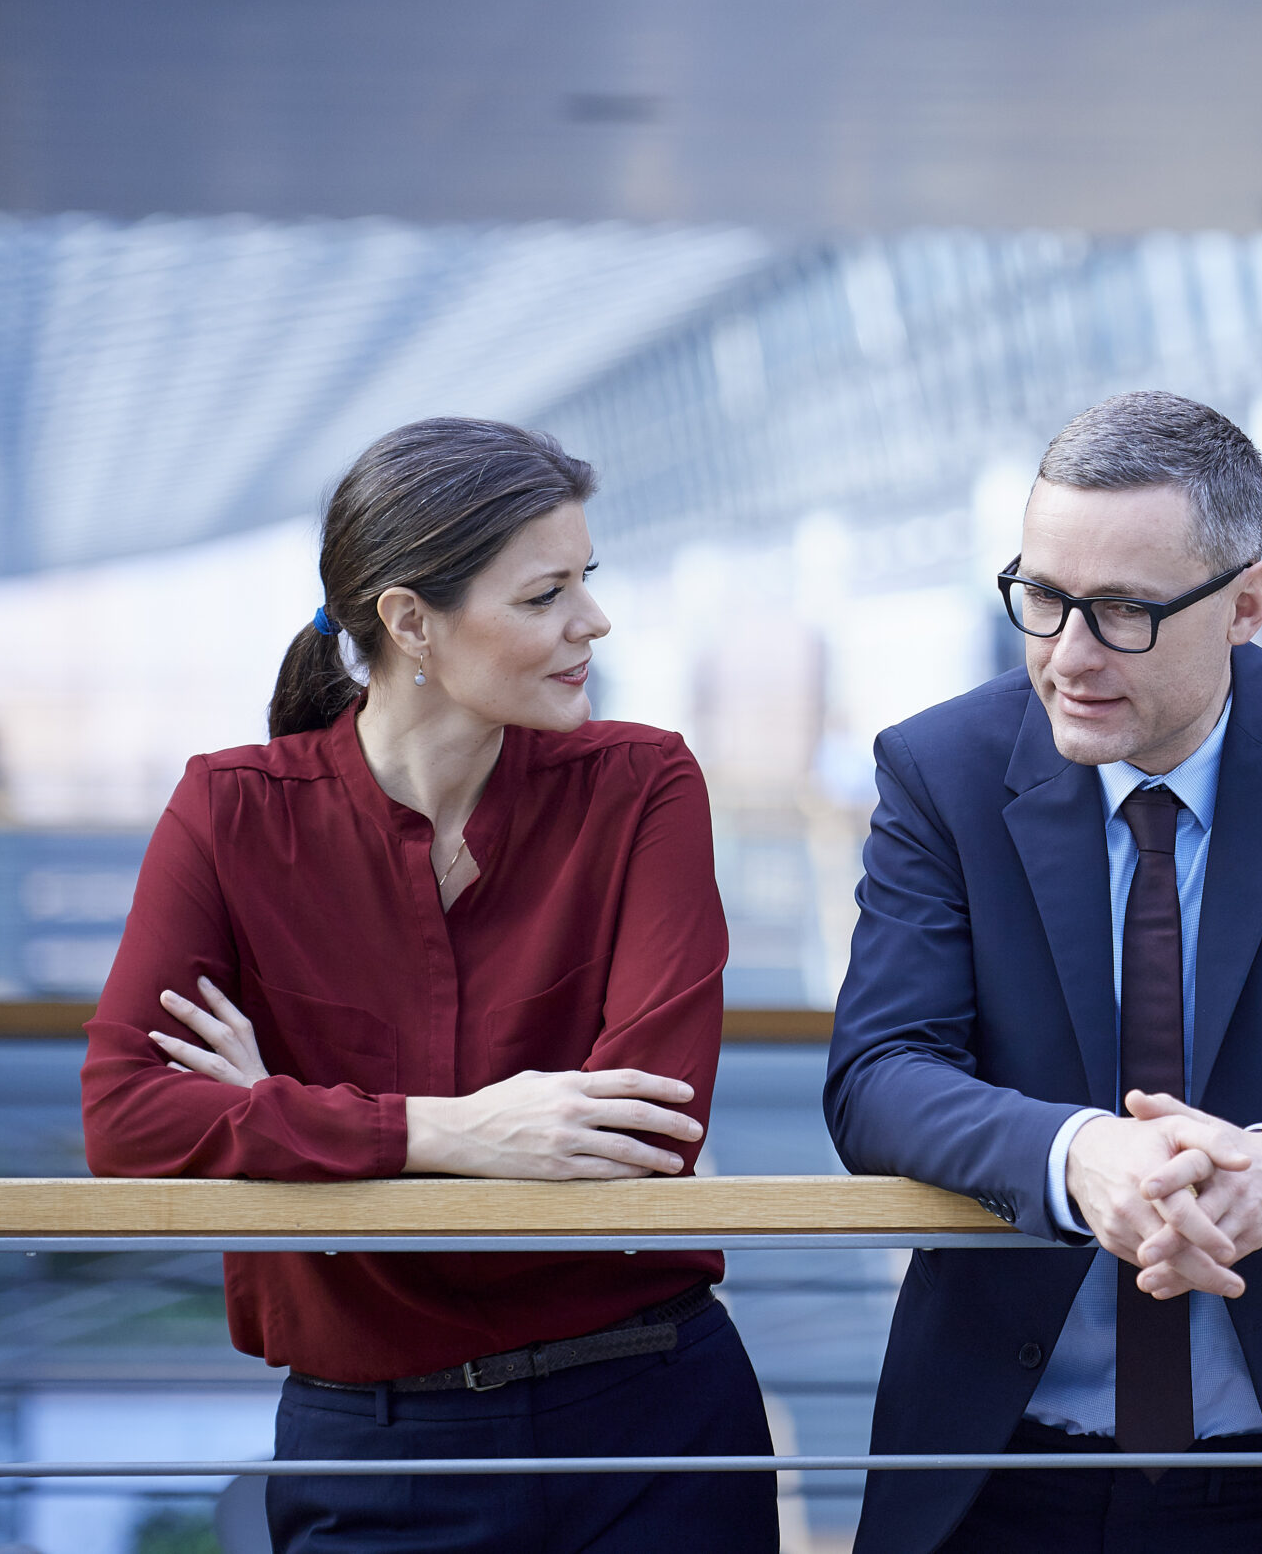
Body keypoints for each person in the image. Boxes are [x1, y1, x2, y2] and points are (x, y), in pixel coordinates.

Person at [824, 391, 1262, 1554]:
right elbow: (879, 1073)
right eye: (1042, 600)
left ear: (1248, 604)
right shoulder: (938, 769)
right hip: (995, 1459)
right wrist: (1079, 1156)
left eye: (1126, 612)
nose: (1068, 657)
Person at [79, 418, 776, 1554]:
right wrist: (455, 1131)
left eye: (584, 581)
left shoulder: (642, 785)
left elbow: (639, 1133)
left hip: (652, 1423)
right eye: (546, 594)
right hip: (375, 1447)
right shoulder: (232, 813)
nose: (591, 622)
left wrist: (276, 1116)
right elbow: (123, 1118)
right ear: (410, 620)